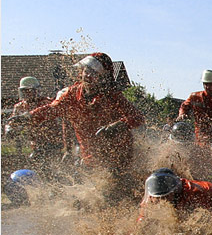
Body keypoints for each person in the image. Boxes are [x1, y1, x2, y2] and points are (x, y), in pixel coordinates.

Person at [19, 53, 145, 203]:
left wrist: (118, 125)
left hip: (118, 156)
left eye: (93, 73)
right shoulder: (72, 94)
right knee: (95, 200)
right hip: (91, 156)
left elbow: (137, 118)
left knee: (119, 196)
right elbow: (53, 109)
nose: (88, 75)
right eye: (86, 71)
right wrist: (28, 116)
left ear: (103, 77)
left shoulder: (112, 96)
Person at [5, 77, 66, 179]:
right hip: (36, 143)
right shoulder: (20, 107)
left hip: (53, 141)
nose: (28, 94)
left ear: (36, 91)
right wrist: (9, 129)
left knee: (49, 165)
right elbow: (11, 122)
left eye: (30, 91)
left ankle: (57, 183)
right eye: (25, 91)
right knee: (36, 163)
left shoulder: (47, 102)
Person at [137, 168, 212, 222]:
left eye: (165, 196)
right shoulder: (151, 196)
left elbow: (207, 219)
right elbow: (142, 219)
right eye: (158, 197)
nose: (162, 200)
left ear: (174, 191)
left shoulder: (195, 194)